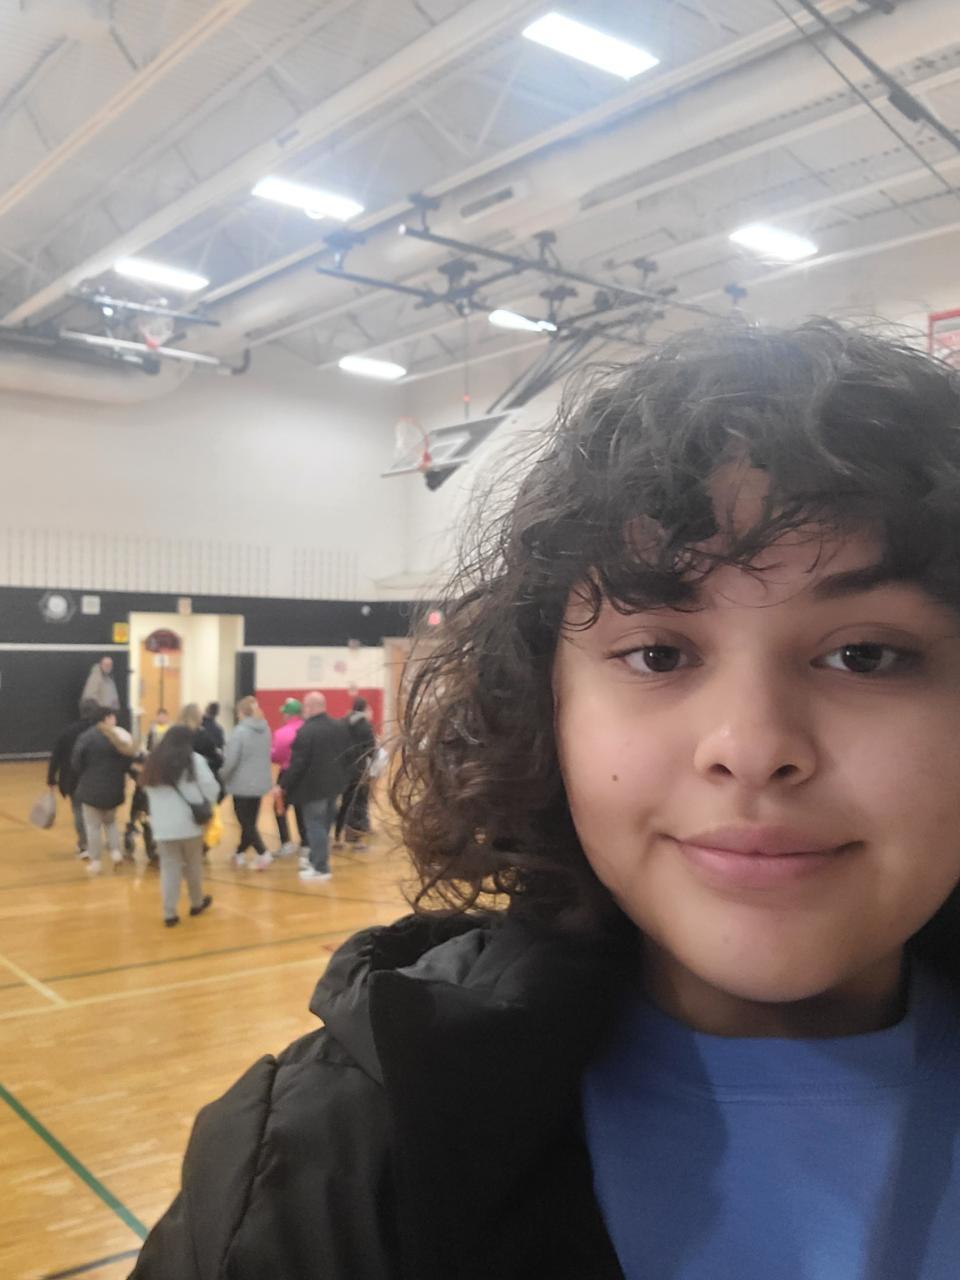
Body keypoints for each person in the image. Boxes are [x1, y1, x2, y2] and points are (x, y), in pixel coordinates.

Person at [130, 320, 960, 1280]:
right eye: (658, 653)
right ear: (543, 710)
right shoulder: (313, 1176)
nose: (751, 748)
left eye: (866, 656)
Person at [142, 725, 219, 927]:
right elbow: (211, 787)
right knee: (193, 865)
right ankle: (196, 902)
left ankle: (169, 913)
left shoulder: (153, 762)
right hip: (190, 824)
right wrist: (208, 804)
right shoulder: (194, 760)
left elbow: (146, 790)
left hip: (162, 826)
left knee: (169, 869)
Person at [282, 691, 350, 882]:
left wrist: (283, 785)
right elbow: (348, 756)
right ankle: (315, 861)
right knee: (324, 827)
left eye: (305, 706)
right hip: (334, 787)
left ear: (310, 707)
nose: (304, 710)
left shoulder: (306, 731)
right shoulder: (339, 727)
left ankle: (321, 868)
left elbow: (298, 764)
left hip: (312, 789)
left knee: (315, 827)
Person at [70, 707, 135, 874]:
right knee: (111, 823)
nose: (115, 720)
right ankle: (116, 853)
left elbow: (76, 762)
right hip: (114, 788)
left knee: (93, 827)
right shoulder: (118, 737)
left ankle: (96, 862)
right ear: (106, 718)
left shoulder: (86, 737)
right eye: (113, 717)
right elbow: (128, 760)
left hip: (91, 789)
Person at [221, 696, 273, 870]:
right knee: (250, 821)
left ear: (241, 712)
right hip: (260, 782)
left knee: (245, 821)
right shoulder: (266, 729)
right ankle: (239, 853)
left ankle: (263, 852)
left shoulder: (239, 732)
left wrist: (222, 775)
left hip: (242, 784)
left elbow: (231, 760)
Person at [47, 698, 101, 858]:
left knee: (78, 811)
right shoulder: (101, 732)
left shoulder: (68, 732)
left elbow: (56, 756)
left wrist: (51, 778)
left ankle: (84, 843)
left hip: (72, 779)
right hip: (95, 778)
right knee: (96, 812)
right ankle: (95, 842)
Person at [333, 696, 376, 850]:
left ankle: (337, 836)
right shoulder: (365, 725)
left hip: (342, 768)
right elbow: (372, 749)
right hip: (358, 770)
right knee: (358, 802)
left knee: (344, 803)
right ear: (364, 708)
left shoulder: (342, 722)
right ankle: (354, 838)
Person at [270, 697, 305, 855]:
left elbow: (277, 756)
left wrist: (270, 753)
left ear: (289, 715)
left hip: (286, 774)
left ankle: (286, 843)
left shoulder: (282, 733)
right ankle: (305, 843)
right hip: (305, 774)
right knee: (301, 808)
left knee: (279, 807)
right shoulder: (307, 729)